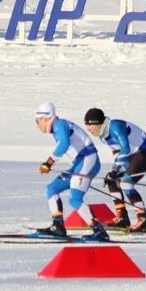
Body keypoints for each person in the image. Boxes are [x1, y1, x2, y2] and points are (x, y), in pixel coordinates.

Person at [34, 103, 109, 241]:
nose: (37, 125)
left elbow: (64, 144)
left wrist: (49, 162)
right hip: (79, 162)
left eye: (37, 121)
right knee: (52, 188)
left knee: (74, 199)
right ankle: (58, 226)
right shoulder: (58, 126)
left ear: (45, 118)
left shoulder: (59, 124)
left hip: (87, 159)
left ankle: (98, 230)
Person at [83, 108, 146, 232]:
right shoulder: (103, 135)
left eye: (89, 126)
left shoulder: (115, 126)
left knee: (126, 184)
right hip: (132, 155)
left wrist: (115, 170)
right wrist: (115, 171)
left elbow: (125, 149)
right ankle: (122, 217)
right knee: (112, 181)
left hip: (145, 154)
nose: (88, 130)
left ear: (96, 123)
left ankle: (143, 220)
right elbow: (117, 152)